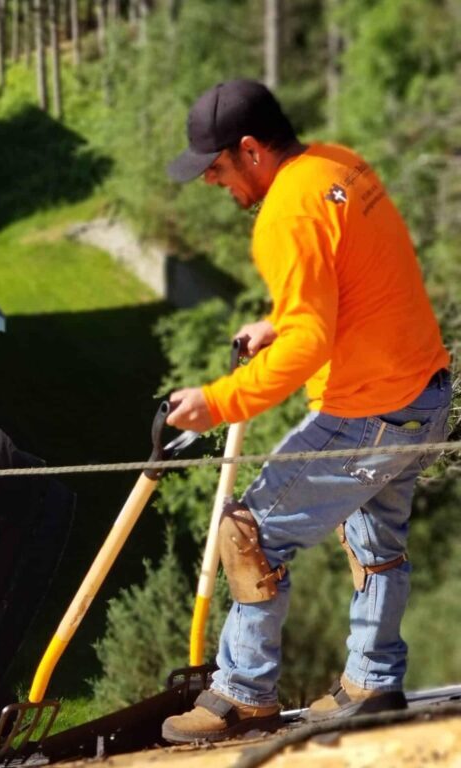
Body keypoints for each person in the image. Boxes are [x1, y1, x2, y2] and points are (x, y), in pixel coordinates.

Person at [162, 79, 451, 743]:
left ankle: (243, 696)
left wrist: (218, 401)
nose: (212, 182)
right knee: (376, 544)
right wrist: (280, 321)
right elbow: (353, 282)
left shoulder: (284, 213)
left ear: (252, 150)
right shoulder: (339, 164)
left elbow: (311, 342)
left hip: (371, 409)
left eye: (215, 167)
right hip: (423, 394)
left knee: (250, 536)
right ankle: (373, 683)